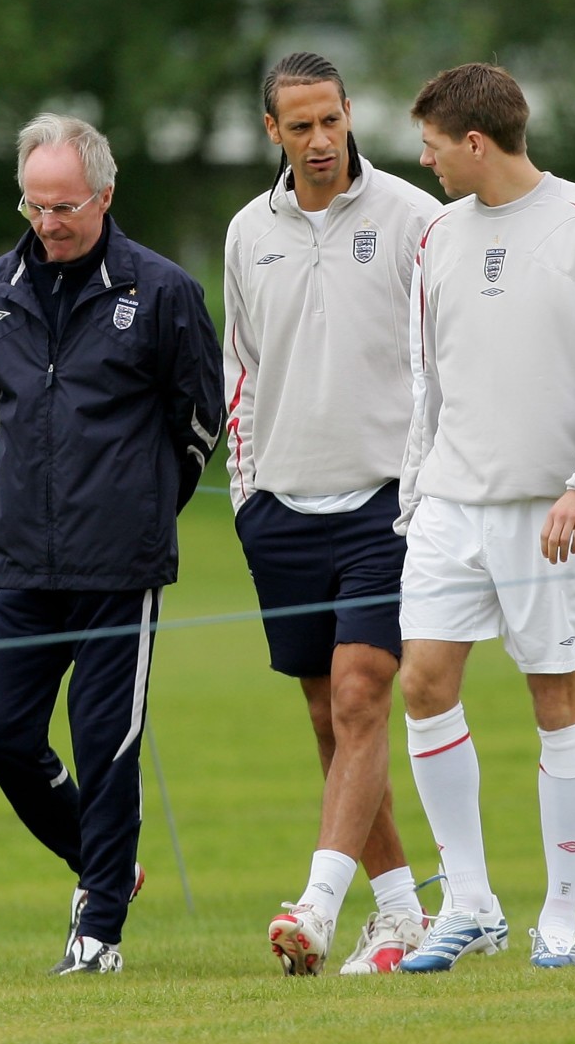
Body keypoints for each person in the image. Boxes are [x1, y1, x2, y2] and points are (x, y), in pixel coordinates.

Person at [394, 62, 575, 972]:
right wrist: (414, 489)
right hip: (448, 507)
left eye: (431, 146)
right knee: (422, 683)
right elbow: (426, 375)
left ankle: (560, 919)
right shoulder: (436, 239)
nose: (424, 163)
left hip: (553, 507)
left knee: (557, 699)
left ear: (474, 142)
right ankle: (469, 903)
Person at [0, 113, 223, 976]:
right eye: (35, 204)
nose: (49, 221)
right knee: (0, 735)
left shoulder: (161, 292)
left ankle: (99, 929)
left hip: (120, 563)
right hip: (18, 560)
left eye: (66, 204)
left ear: (105, 195)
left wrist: (141, 503)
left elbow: (199, 421)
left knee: (104, 742)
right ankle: (102, 862)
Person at [223, 52, 441, 977]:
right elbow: (241, 365)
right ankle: (399, 915)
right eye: (299, 126)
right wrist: (246, 497)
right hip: (280, 505)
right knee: (329, 717)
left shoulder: (413, 219)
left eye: (332, 121)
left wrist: (429, 486)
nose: (320, 141)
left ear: (352, 114)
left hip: (386, 504)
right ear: (271, 131)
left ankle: (315, 906)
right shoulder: (246, 231)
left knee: (360, 694)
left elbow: (446, 362)